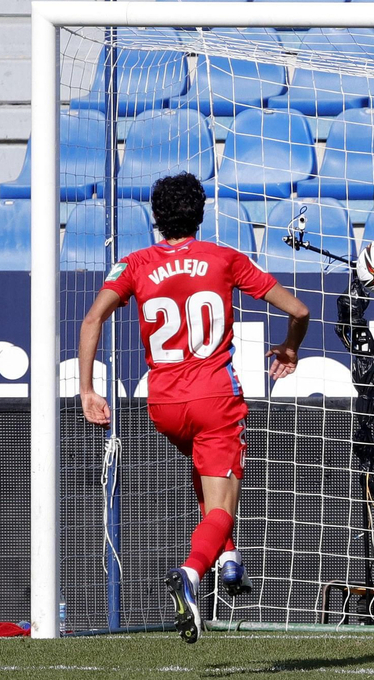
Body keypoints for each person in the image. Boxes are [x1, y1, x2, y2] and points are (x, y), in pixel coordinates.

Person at [76, 172, 311, 643]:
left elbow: (92, 318)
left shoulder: (133, 264)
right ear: (200, 215)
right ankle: (190, 573)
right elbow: (299, 311)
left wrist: (87, 390)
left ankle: (229, 558)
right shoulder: (225, 258)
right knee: (223, 502)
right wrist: (290, 347)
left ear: (156, 218)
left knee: (206, 470)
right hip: (214, 397)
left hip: (163, 403)